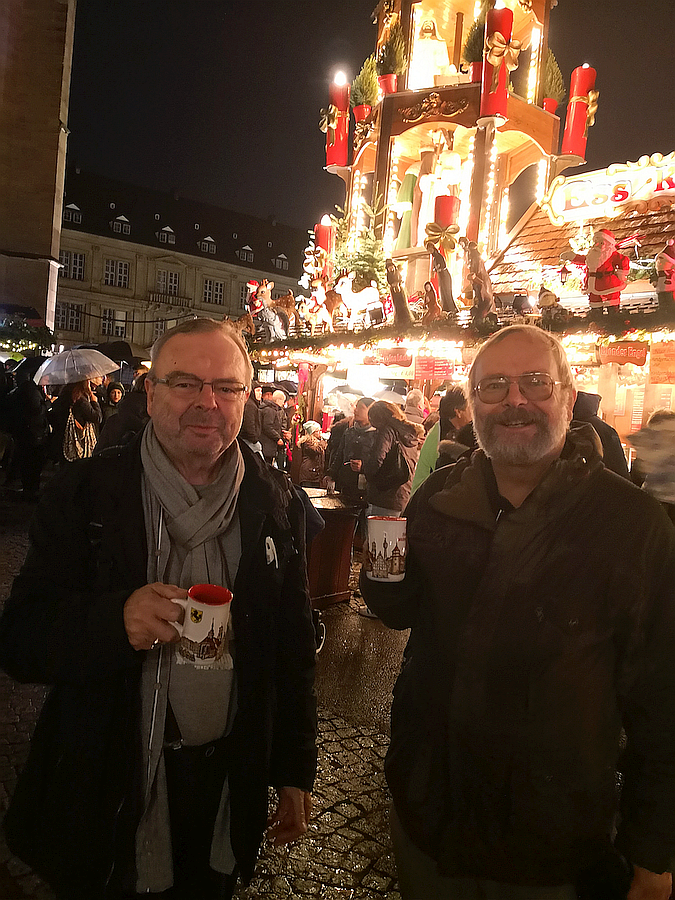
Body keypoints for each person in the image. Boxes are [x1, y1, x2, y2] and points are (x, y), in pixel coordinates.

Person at [0, 318, 317, 900]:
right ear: (150, 394)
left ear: (245, 400)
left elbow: (291, 647)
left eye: (226, 387)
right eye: (184, 383)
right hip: (111, 783)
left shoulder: (272, 502)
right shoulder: (86, 493)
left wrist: (294, 769)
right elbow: (19, 636)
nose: (208, 403)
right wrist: (113, 621)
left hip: (224, 783)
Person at [361, 324, 675, 900]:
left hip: (554, 845)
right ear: (472, 400)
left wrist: (653, 854)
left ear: (568, 392)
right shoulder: (437, 496)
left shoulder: (633, 525)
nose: (515, 400)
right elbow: (407, 614)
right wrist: (381, 577)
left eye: (534, 382)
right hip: (431, 816)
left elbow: (662, 701)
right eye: (494, 386)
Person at [362, 400, 423, 518]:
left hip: (383, 497)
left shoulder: (386, 432)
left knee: (378, 534)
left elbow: (376, 460)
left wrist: (365, 471)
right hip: (403, 494)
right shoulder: (410, 432)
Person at [410, 386, 471, 495]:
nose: (473, 413)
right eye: (470, 408)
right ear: (458, 412)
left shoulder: (442, 428)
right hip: (424, 499)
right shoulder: (444, 436)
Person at [325, 396, 376, 501]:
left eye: (361, 407)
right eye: (356, 407)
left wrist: (363, 466)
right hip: (344, 484)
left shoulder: (377, 435)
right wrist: (331, 474)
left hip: (365, 488)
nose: (356, 410)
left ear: (370, 411)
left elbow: (379, 461)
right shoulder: (349, 432)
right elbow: (339, 455)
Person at [572, 390, 630, 478]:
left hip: (591, 483)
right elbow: (619, 463)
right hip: (613, 482)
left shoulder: (575, 426)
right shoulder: (607, 429)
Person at [49, 378, 102, 463]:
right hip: (77, 443)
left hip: (61, 441)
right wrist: (94, 401)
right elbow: (97, 418)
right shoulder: (80, 399)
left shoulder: (64, 395)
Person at [95, 372, 150, 453]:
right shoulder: (159, 427)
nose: (116, 395)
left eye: (118, 392)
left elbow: (97, 456)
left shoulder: (114, 421)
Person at [297, 421, 327, 488]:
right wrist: (324, 441)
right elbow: (316, 450)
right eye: (318, 431)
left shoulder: (317, 442)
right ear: (312, 432)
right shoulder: (307, 442)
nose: (320, 433)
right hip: (309, 475)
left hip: (315, 475)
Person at [259, 385, 284, 465]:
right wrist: (277, 438)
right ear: (279, 400)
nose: (283, 403)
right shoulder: (270, 410)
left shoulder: (270, 409)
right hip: (267, 446)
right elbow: (267, 427)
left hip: (267, 445)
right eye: (283, 401)